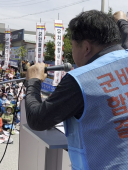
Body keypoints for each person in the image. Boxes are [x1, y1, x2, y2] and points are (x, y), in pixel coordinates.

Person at [25, 10, 128, 170]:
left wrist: (33, 81)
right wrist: (122, 21)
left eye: (72, 47)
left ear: (86, 48)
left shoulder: (79, 80)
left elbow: (37, 119)